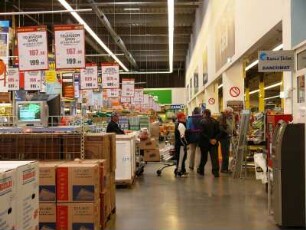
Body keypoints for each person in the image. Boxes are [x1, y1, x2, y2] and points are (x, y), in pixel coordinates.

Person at [197, 109, 220, 177]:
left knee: (204, 158)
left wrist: (209, 139)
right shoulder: (215, 121)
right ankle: (216, 172)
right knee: (214, 158)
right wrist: (215, 139)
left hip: (204, 143)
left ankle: (201, 170)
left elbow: (202, 133)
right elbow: (219, 132)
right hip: (214, 143)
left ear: (204, 114)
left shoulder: (202, 121)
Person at [218, 107, 235, 173]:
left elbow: (231, 126)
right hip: (223, 137)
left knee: (226, 153)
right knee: (225, 154)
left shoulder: (227, 117)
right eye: (230, 113)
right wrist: (227, 132)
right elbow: (220, 128)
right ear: (226, 112)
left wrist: (233, 132)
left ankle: (225, 168)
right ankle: (224, 169)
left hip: (227, 137)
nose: (231, 114)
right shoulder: (221, 117)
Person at [174, 112, 188, 177]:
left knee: (181, 158)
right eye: (183, 117)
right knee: (181, 158)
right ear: (180, 118)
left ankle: (182, 170)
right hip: (180, 145)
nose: (185, 118)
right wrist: (185, 145)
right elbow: (182, 137)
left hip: (179, 144)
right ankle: (180, 172)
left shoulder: (178, 124)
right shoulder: (181, 125)